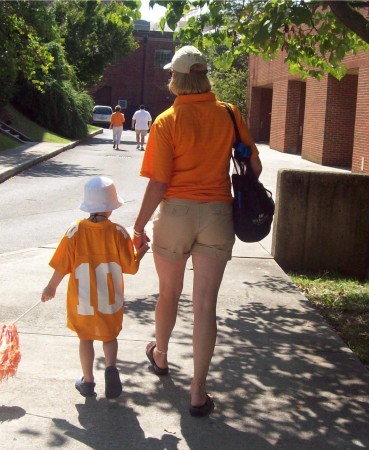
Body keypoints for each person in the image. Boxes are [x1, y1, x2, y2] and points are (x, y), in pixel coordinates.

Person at [132, 46, 262, 417]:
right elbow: (255, 166)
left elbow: (158, 183)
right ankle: (198, 391)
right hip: (218, 215)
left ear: (176, 77)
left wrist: (139, 225)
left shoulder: (166, 121)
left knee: (168, 294)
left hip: (174, 215)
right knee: (206, 305)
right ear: (204, 76)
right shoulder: (229, 113)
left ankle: (160, 355)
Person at [41, 176, 148, 399]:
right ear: (110, 208)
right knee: (109, 338)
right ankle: (110, 367)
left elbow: (62, 265)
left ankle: (88, 382)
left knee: (85, 339)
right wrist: (142, 251)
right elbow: (131, 267)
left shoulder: (74, 231)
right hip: (110, 301)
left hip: (83, 304)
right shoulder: (118, 232)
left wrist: (51, 288)